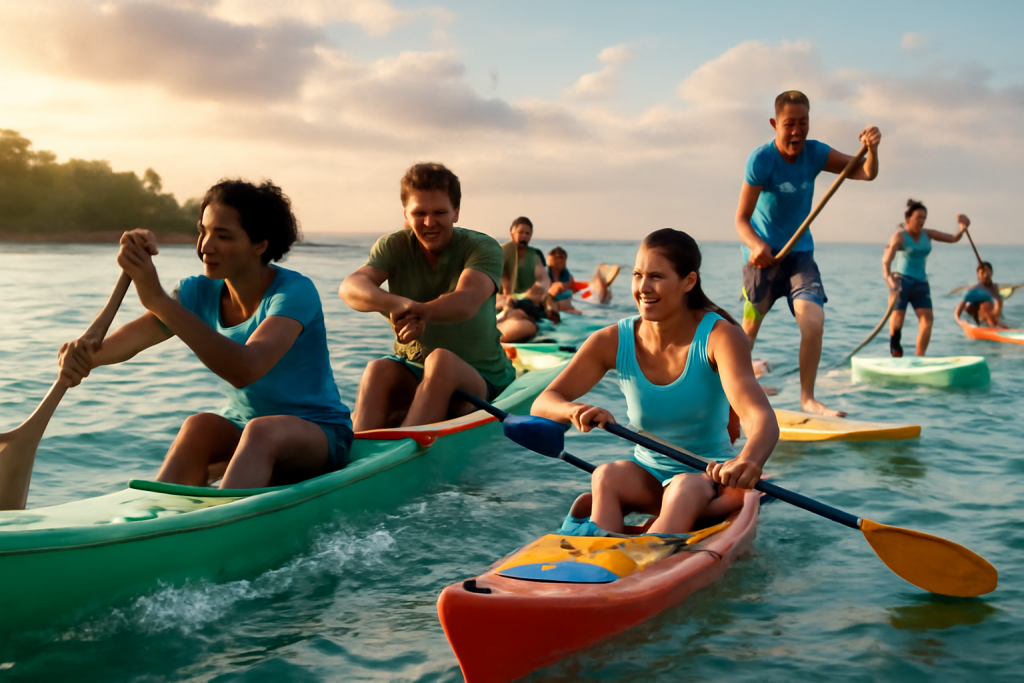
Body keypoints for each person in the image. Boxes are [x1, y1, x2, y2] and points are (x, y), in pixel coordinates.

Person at [58, 180, 353, 489]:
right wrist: (81, 355)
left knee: (263, 432)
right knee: (199, 426)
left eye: (222, 236)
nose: (205, 246)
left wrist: (158, 299)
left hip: (319, 433)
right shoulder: (197, 291)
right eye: (203, 231)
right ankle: (157, 513)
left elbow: (246, 369)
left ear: (260, 245)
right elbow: (120, 344)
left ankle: (225, 516)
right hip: (243, 426)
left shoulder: (294, 292)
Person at [532, 229, 779, 535]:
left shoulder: (720, 337)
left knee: (683, 488)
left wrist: (750, 460)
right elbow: (543, 402)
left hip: (710, 480)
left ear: (688, 282)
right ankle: (601, 550)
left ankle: (658, 543)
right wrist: (572, 410)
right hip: (648, 477)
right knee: (605, 475)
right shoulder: (611, 341)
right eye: (637, 275)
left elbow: (760, 418)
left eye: (656, 277)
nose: (643, 287)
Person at [736, 90, 881, 417]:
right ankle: (737, 388)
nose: (797, 131)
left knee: (813, 323)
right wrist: (756, 245)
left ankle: (808, 398)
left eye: (803, 123)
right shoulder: (761, 160)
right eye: (789, 124)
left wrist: (872, 149)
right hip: (763, 258)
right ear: (774, 124)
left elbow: (866, 172)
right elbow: (741, 219)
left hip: (800, 255)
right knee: (748, 330)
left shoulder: (816, 154)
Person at [339, 163, 515, 431]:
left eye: (439, 212)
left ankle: (405, 446)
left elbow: (467, 300)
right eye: (419, 213)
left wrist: (424, 312)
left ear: (456, 212)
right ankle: (357, 450)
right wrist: (399, 304)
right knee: (378, 370)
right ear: (406, 214)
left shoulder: (482, 247)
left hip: (482, 378)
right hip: (415, 371)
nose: (429, 222)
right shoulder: (393, 245)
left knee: (441, 361)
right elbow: (350, 287)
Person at [882, 200, 970, 356]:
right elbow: (886, 261)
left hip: (921, 283)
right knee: (898, 319)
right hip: (901, 281)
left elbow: (953, 238)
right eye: (918, 217)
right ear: (908, 218)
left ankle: (920, 356)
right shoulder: (900, 237)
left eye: (924, 218)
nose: (921, 221)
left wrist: (962, 229)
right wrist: (889, 279)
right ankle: (895, 347)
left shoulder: (928, 234)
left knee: (927, 321)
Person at [496, 217, 556, 343]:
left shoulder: (534, 256)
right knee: (523, 323)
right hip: (502, 305)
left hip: (526, 305)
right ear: (512, 233)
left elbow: (544, 280)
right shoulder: (500, 253)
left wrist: (544, 297)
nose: (524, 236)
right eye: (520, 232)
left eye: (527, 233)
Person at [955, 262, 1008, 329]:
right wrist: (959, 320)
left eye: (987, 272)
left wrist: (997, 309)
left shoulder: (995, 288)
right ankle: (993, 325)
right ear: (978, 275)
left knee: (996, 305)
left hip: (990, 315)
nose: (985, 275)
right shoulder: (973, 290)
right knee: (986, 304)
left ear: (992, 273)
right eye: (982, 273)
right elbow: (960, 307)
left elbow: (998, 302)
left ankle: (996, 324)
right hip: (976, 314)